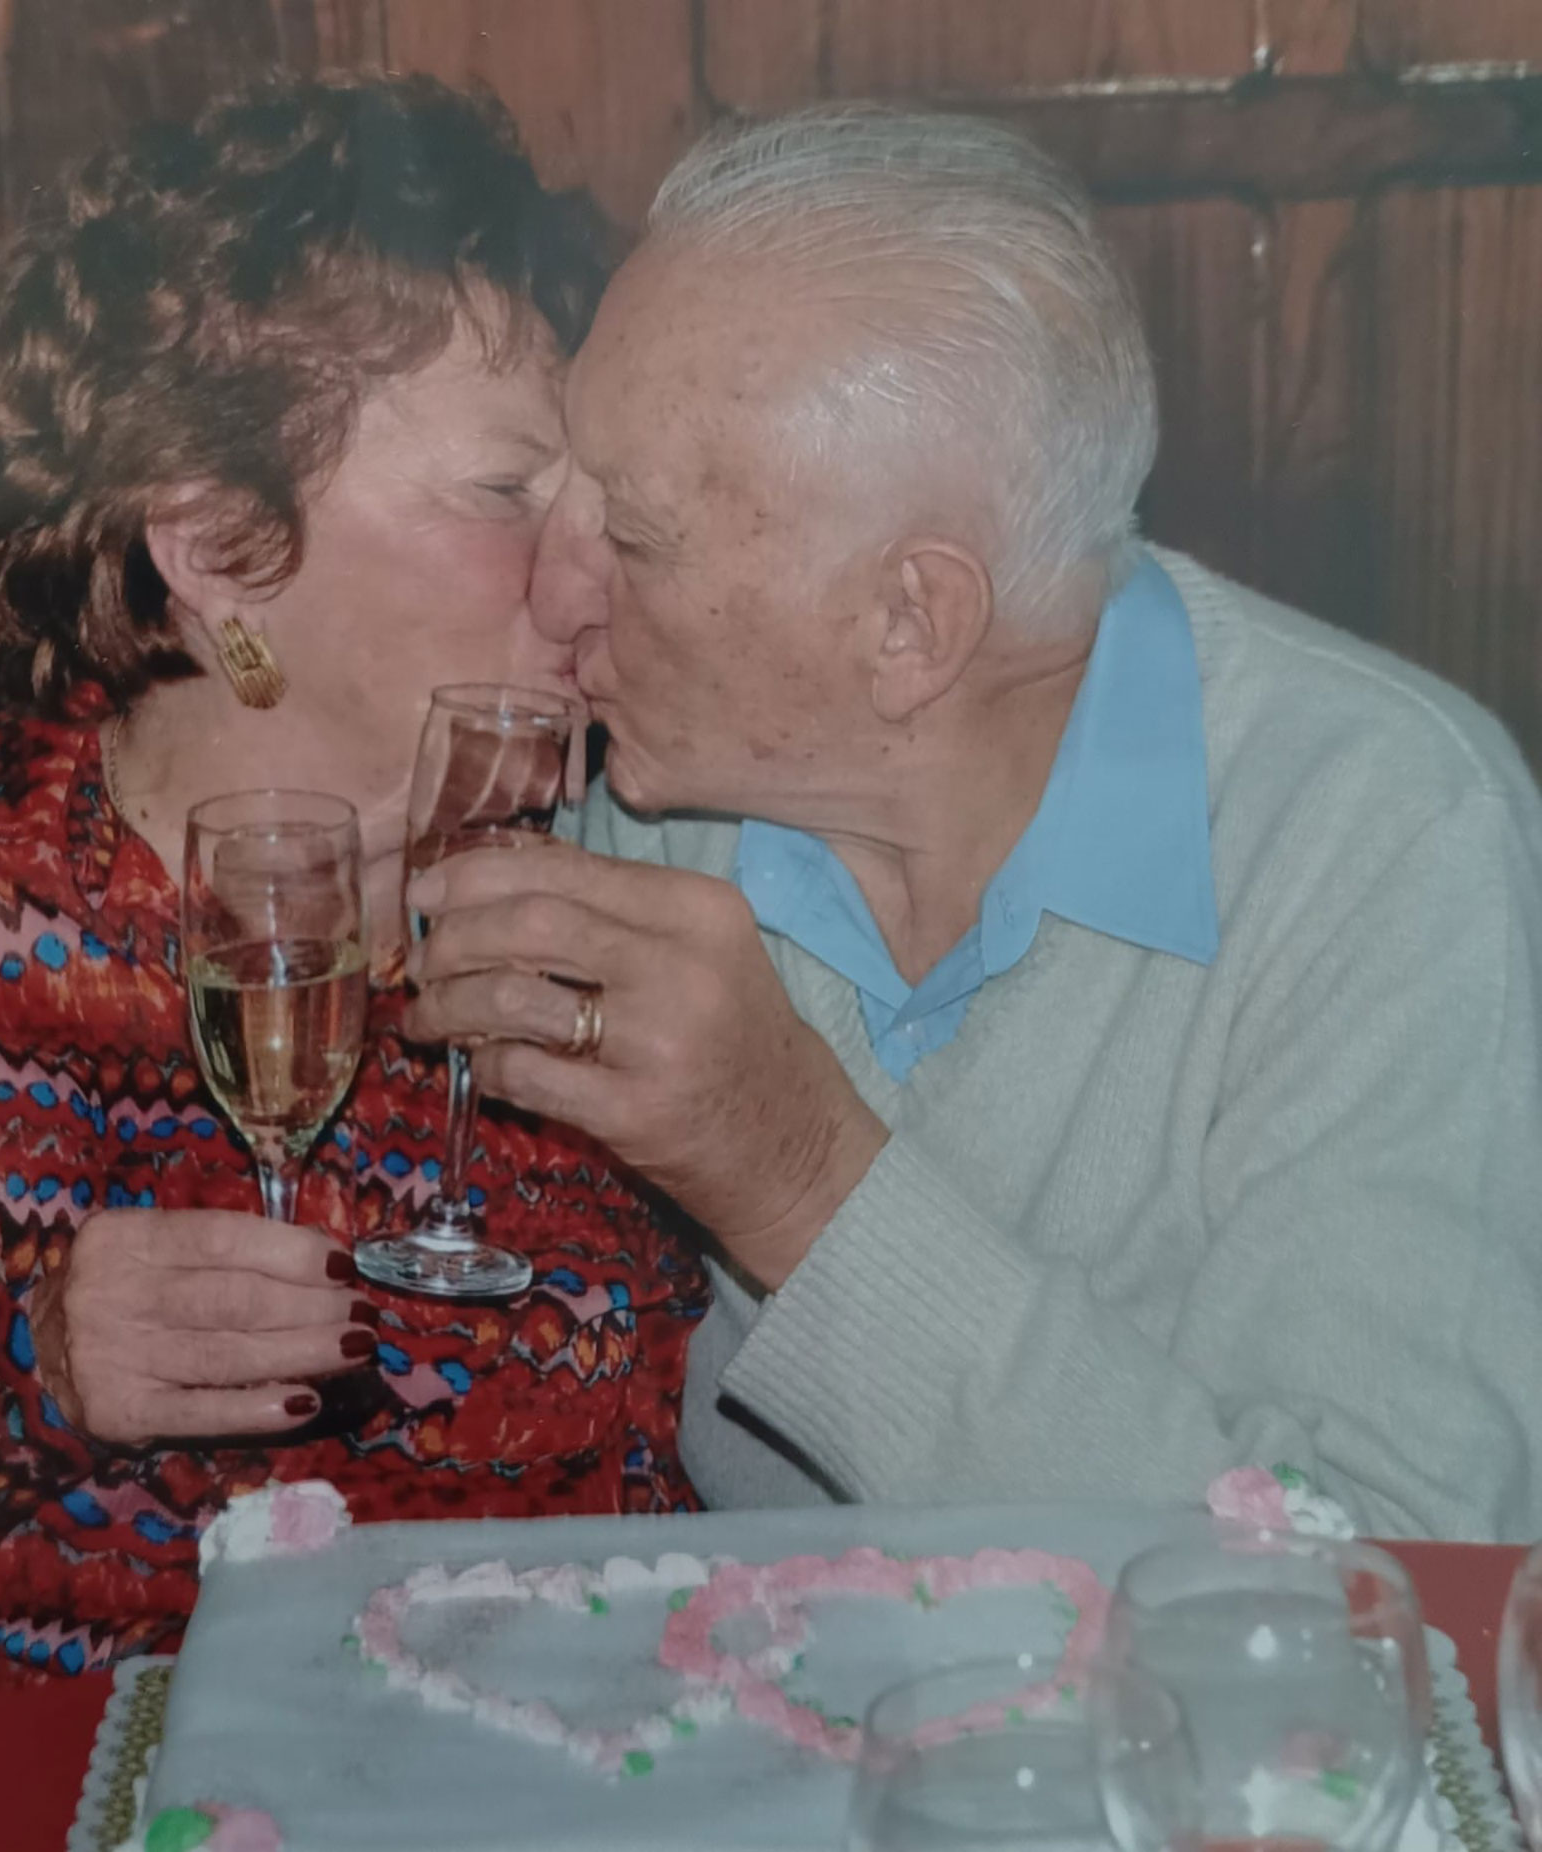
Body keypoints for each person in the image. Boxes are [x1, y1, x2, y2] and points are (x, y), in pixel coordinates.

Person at [0, 75, 706, 1803]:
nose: (591, 571)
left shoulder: (629, 932)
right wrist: (18, 1382)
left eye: (599, 499)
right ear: (215, 548)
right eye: (510, 488)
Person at [406, 104, 1542, 1542]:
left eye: (630, 541)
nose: (555, 601)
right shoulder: (640, 782)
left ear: (909, 622)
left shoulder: (1379, 833)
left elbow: (1389, 1578)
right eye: (548, 497)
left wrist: (798, 1178)